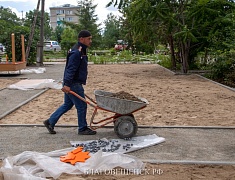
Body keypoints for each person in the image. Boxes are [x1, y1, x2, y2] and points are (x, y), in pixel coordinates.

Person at [43, 30, 96, 135]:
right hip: (73, 84)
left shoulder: (81, 50)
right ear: (81, 39)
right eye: (89, 39)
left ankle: (50, 122)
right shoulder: (77, 52)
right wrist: (67, 85)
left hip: (71, 82)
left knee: (67, 104)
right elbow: (70, 69)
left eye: (91, 38)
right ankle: (82, 128)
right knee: (82, 105)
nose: (91, 41)